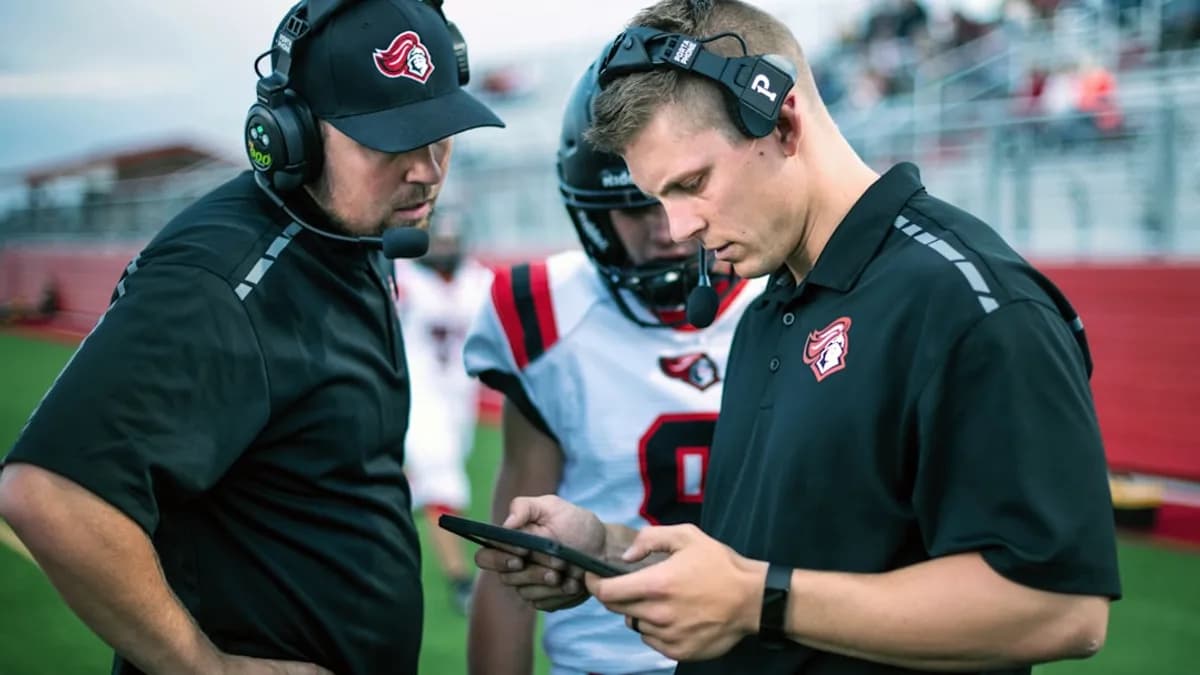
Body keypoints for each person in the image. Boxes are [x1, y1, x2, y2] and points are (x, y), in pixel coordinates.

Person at [474, 2, 1120, 675]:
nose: (680, 228)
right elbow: (776, 558)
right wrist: (608, 549)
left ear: (782, 122)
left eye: (692, 183)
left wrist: (758, 602)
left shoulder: (969, 303)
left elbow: (1061, 608)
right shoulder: (775, 302)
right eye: (660, 197)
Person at [0, 1, 502, 674]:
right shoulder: (222, 277)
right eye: (392, 142)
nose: (429, 169)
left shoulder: (354, 233)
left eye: (440, 134)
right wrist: (209, 668)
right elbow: (48, 492)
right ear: (292, 135)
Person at [464, 55, 766, 675]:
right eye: (637, 207)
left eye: (683, 191)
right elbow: (513, 557)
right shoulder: (543, 312)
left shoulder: (790, 298)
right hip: (607, 659)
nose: (669, 229)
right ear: (594, 213)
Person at [394, 211, 493, 614]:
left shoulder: (479, 280)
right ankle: (461, 582)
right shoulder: (402, 279)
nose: (445, 249)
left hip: (460, 396)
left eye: (451, 241)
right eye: (439, 241)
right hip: (419, 393)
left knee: (427, 483)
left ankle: (374, 516)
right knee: (444, 482)